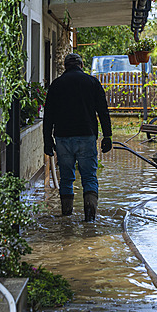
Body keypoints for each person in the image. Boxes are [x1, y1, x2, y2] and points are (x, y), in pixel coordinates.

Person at [43, 53, 112, 222]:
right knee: (89, 176)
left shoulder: (56, 85)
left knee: (66, 178)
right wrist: (107, 136)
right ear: (81, 65)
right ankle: (90, 219)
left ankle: (66, 216)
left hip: (62, 138)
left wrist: (47, 141)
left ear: (65, 66)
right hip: (86, 136)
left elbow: (48, 116)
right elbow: (103, 111)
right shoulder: (92, 83)